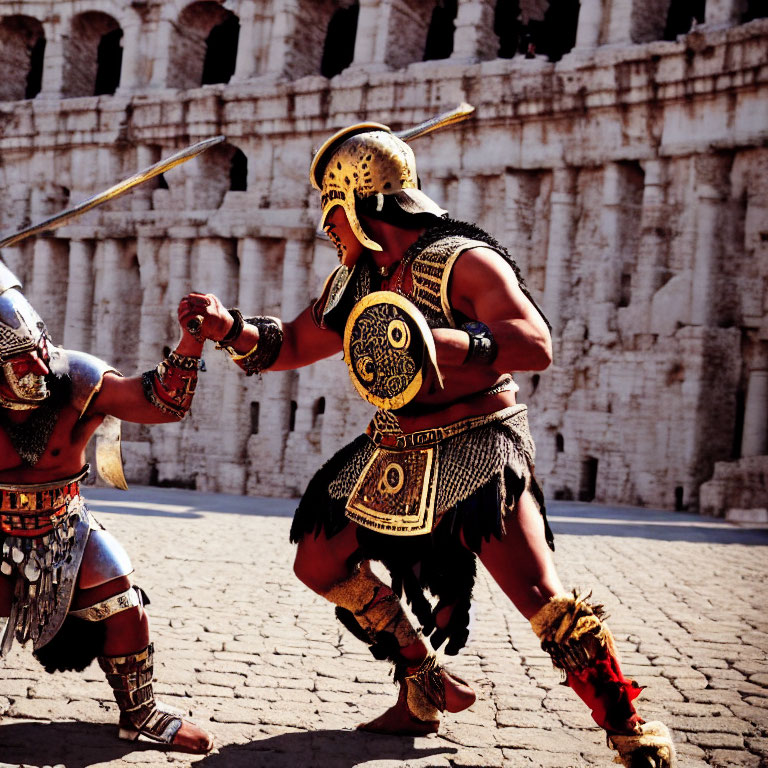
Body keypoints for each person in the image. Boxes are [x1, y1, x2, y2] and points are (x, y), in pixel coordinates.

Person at [179, 115, 676, 767]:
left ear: (357, 205)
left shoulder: (462, 261)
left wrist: (440, 339)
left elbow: (534, 344)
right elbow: (294, 344)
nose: (327, 229)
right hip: (395, 447)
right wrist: (228, 327)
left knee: (541, 600)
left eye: (331, 212)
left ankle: (630, 729)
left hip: (475, 443)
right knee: (319, 561)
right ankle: (423, 682)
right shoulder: (356, 280)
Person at [0, 261, 213, 753]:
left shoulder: (75, 378)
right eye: (21, 361)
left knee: (123, 598)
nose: (39, 366)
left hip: (62, 526)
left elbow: (158, 402)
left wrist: (191, 343)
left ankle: (140, 714)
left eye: (40, 350)